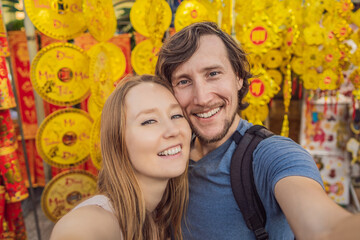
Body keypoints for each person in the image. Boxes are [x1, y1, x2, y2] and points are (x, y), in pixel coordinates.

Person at [155, 21, 360, 240]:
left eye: (213, 73)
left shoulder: (271, 154)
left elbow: (324, 228)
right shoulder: (171, 155)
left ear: (238, 77)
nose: (202, 98)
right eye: (184, 81)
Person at [50, 75, 192, 240]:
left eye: (176, 115)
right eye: (149, 121)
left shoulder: (166, 212)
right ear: (117, 141)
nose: (173, 130)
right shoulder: (93, 221)